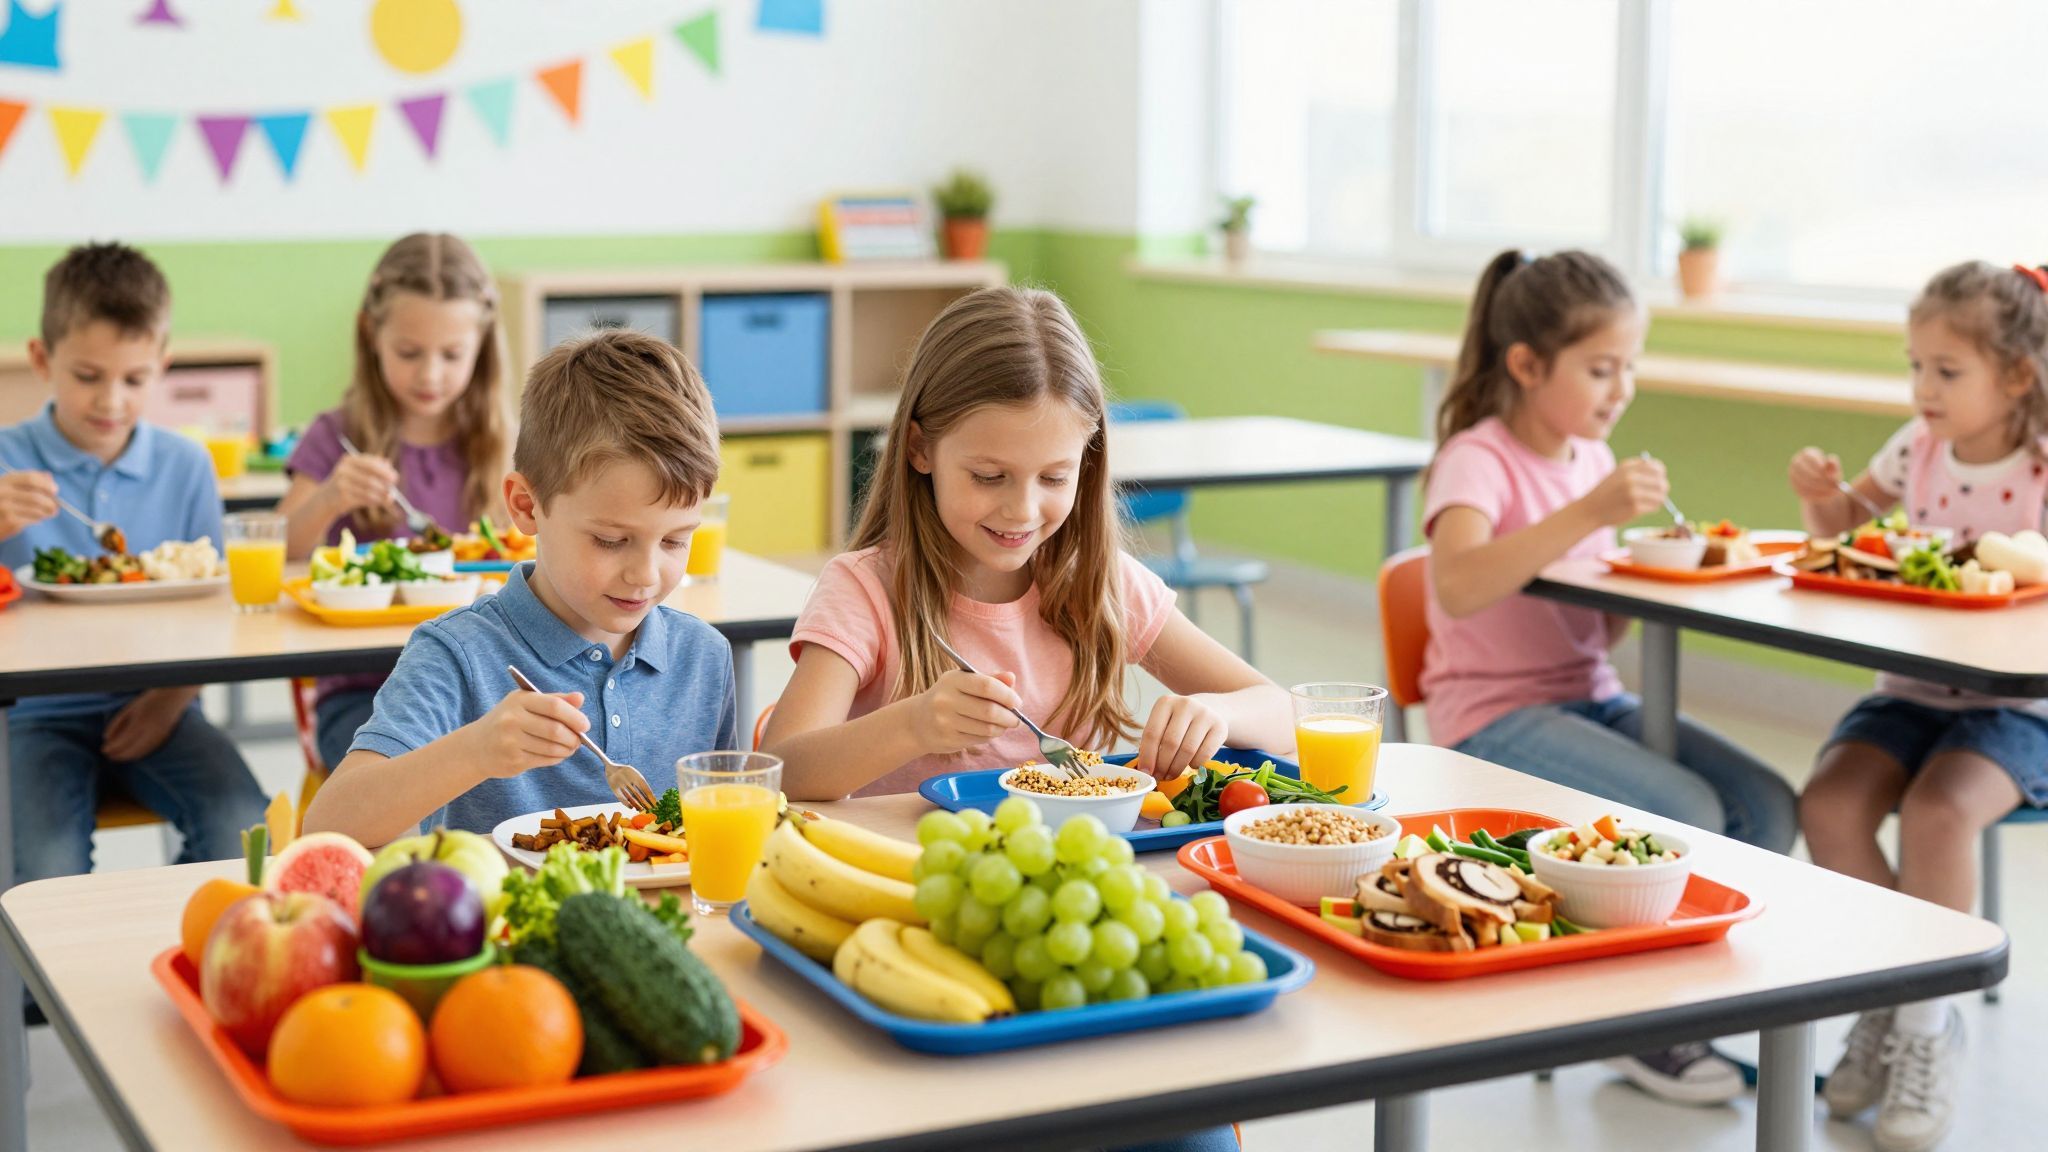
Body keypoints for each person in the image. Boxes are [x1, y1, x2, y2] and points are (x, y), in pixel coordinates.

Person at [1421, 248, 1795, 1104]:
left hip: (1589, 696)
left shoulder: (1591, 457)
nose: (1620, 388)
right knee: (1688, 812)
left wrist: (1645, 562)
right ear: (1526, 364)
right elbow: (1458, 582)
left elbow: (1601, 622)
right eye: (1600, 368)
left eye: (1629, 366)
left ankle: (1666, 993)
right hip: (1492, 714)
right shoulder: (1480, 459)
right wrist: (1589, 516)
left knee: (1767, 803)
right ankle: (1643, 1024)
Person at [1791, 260, 2048, 1152]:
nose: (1923, 389)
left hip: (2021, 715)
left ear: (2015, 374)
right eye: (1915, 367)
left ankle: (1919, 1031)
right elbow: (1848, 542)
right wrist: (1825, 501)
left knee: (1939, 814)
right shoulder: (1918, 447)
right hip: (1909, 690)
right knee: (1826, 802)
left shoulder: (2043, 467)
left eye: (1947, 371)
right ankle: (1898, 1002)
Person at [302, 330, 734, 845]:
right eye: (611, 540)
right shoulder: (458, 653)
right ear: (526, 507)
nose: (645, 574)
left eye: (674, 540)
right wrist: (476, 752)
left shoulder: (703, 656)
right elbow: (331, 823)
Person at [0, 241, 266, 889]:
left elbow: (217, 612)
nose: (110, 401)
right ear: (42, 359)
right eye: (88, 376)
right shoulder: (5, 462)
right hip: (35, 714)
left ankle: (165, 942)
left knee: (244, 827)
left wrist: (169, 699)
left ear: (162, 367)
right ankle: (43, 994)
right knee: (43, 873)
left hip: (163, 702)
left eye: (134, 379)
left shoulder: (186, 465)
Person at [276, 232, 513, 772]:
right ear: (371, 334)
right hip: (365, 694)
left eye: (452, 355)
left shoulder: (506, 445)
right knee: (422, 797)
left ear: (482, 344)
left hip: (483, 688)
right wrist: (332, 497)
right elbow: (279, 548)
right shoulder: (339, 434)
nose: (429, 374)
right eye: (409, 353)